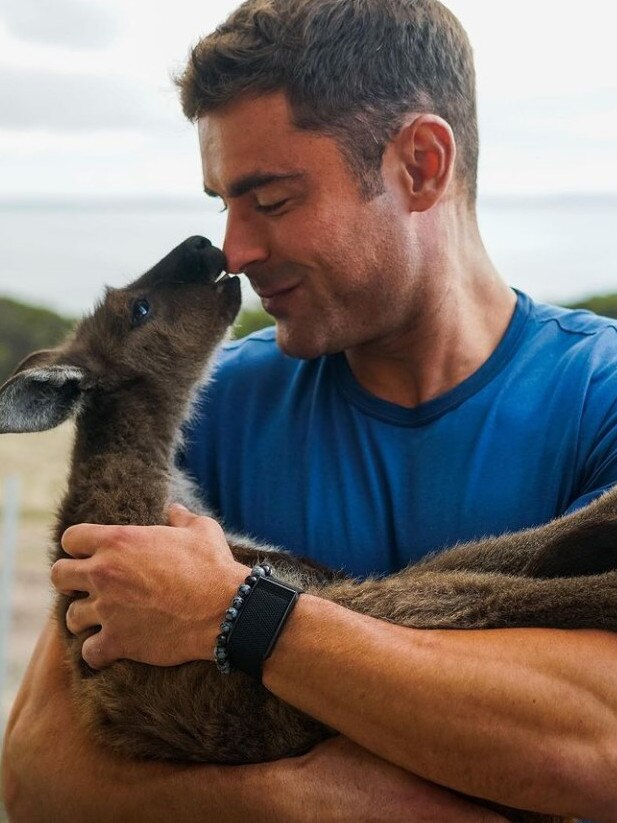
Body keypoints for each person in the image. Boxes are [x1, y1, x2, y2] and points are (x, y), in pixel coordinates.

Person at [3, 0, 617, 820]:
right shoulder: (211, 404)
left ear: (421, 165)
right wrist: (308, 800)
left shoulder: (596, 394)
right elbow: (36, 771)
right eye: (224, 201)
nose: (233, 249)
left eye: (273, 200)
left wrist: (238, 614)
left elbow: (600, 745)